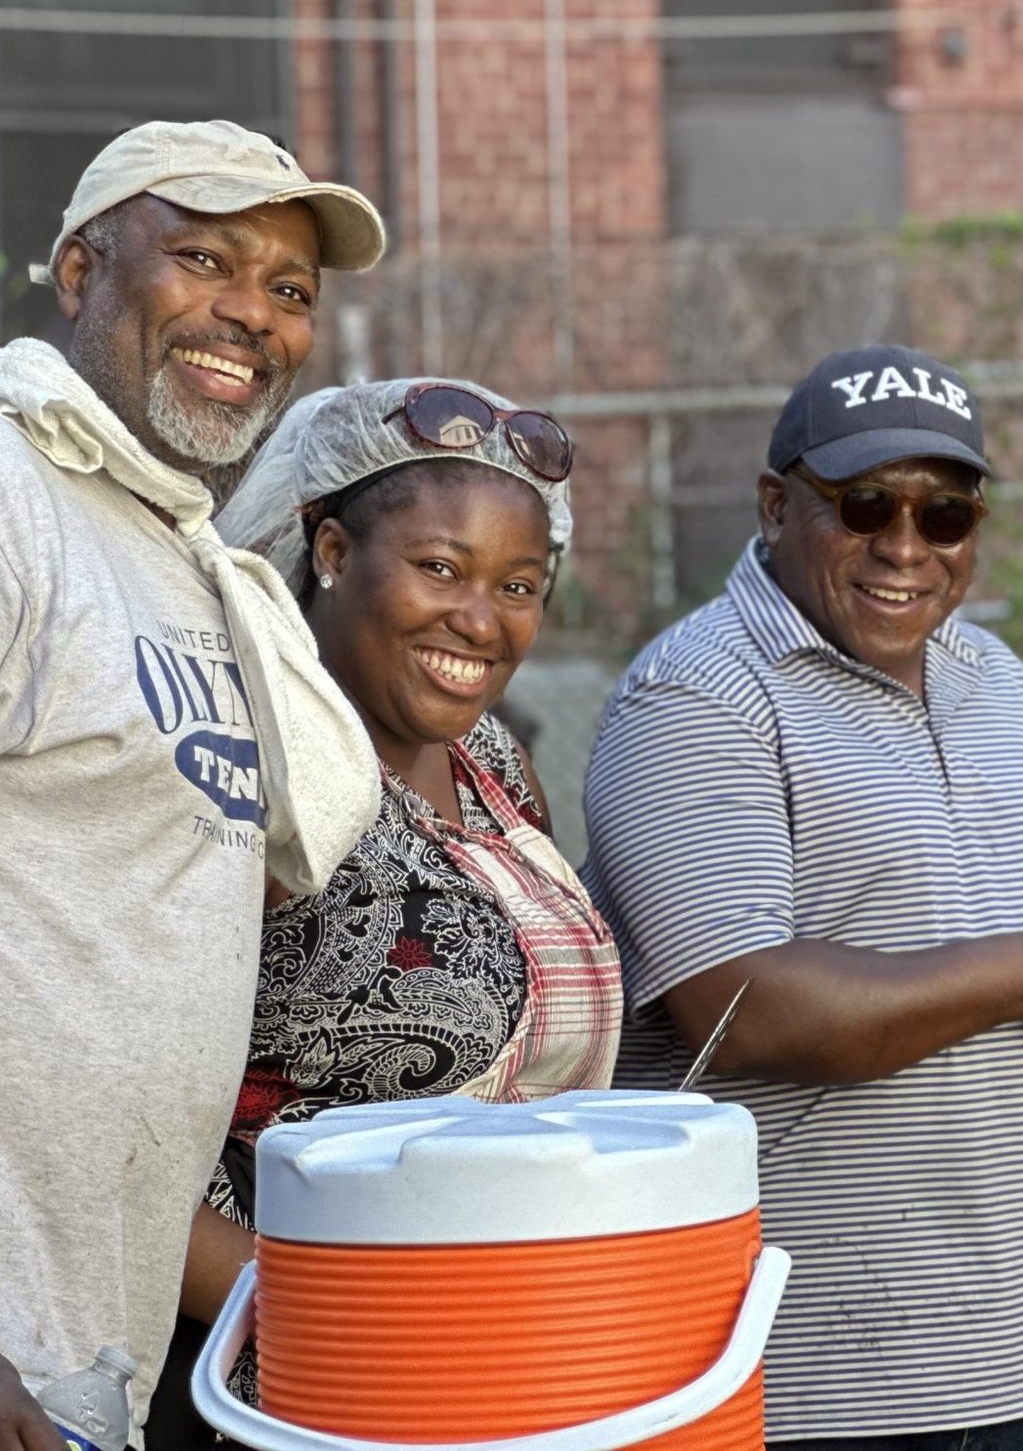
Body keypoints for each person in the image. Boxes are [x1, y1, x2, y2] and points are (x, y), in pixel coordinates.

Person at [585, 344, 1023, 1451]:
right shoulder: (692, 696)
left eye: (945, 517)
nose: (904, 546)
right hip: (829, 1384)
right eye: (864, 504)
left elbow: (988, 946)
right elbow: (739, 1008)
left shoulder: (998, 682)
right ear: (775, 504)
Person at [0, 121, 386, 1449]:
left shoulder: (184, 557)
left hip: (73, 1358)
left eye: (288, 289)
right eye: (202, 257)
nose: (249, 315)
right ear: (81, 268)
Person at [138, 379, 618, 1444]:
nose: (481, 621)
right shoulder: (249, 779)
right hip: (301, 1388)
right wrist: (340, 1319)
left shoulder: (490, 763)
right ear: (333, 552)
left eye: (520, 584)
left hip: (502, 1370)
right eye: (440, 569)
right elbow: (103, 1120)